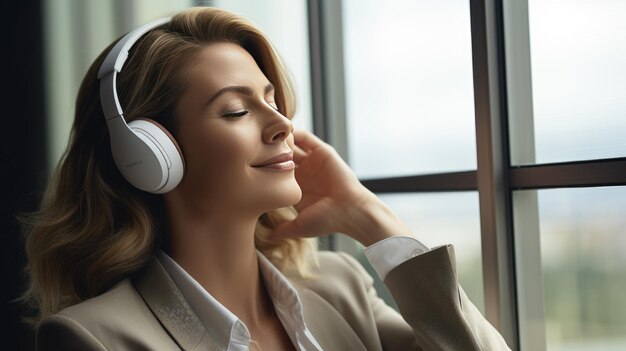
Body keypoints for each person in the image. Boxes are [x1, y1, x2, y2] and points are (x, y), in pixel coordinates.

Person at [22, 7, 511, 351]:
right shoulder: (95, 338)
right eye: (235, 110)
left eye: (272, 100)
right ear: (148, 155)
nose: (282, 125)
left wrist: (367, 214)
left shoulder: (339, 288)